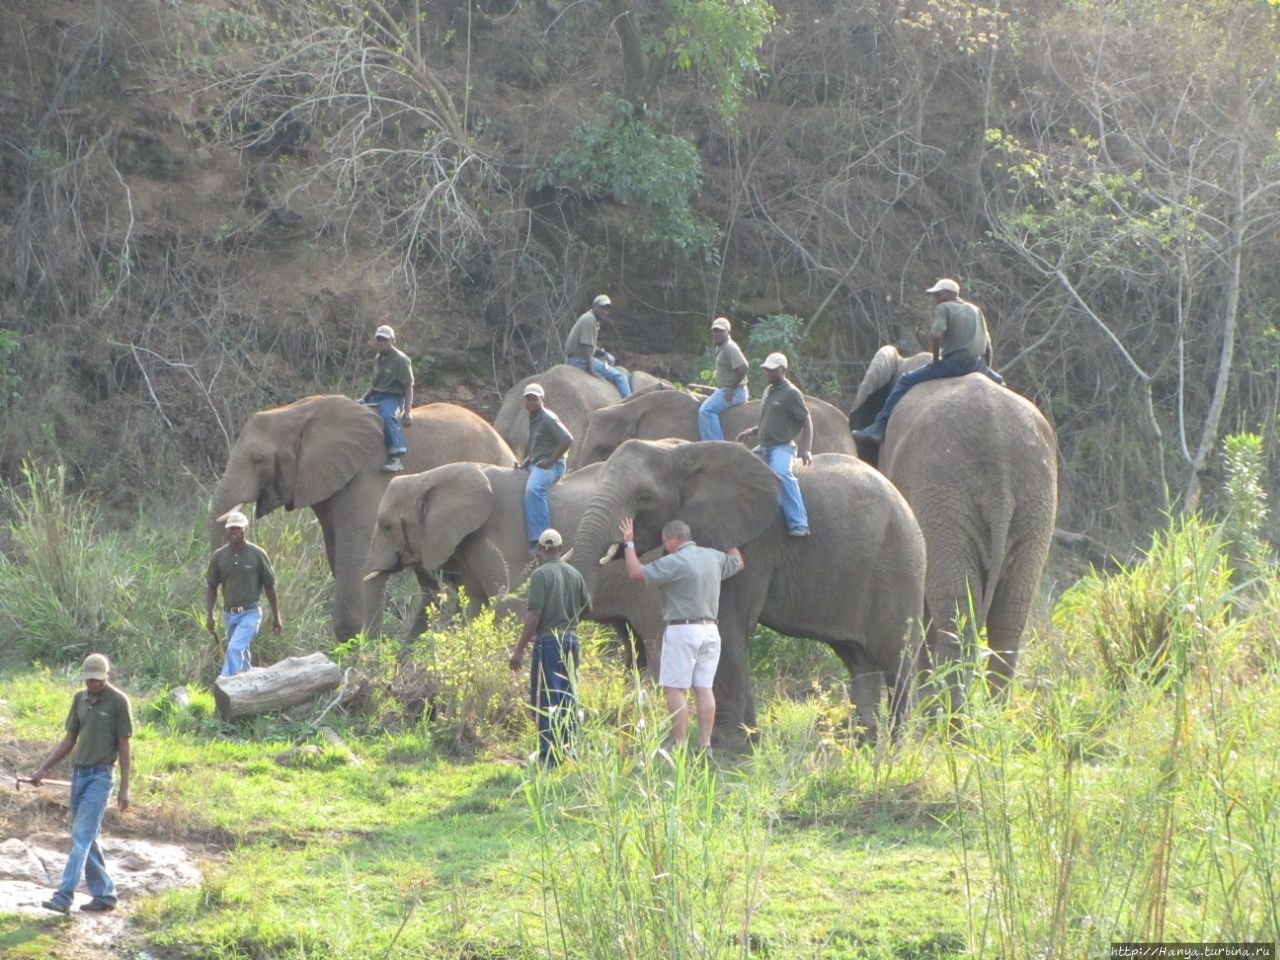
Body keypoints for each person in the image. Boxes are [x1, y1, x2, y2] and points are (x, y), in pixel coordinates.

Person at [620, 517, 743, 750]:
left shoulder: (675, 562)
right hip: (711, 630)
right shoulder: (713, 557)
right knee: (704, 688)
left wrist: (628, 543)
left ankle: (679, 743)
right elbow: (738, 562)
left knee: (675, 687)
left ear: (674, 538)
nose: (665, 547)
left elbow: (636, 573)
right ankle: (704, 744)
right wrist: (728, 540)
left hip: (683, 630)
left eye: (666, 542)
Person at [32, 653, 133, 914]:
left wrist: (124, 788)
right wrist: (44, 768)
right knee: (88, 837)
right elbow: (69, 740)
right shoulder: (80, 698)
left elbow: (124, 747)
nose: (94, 685)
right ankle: (105, 895)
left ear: (106, 677)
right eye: (90, 680)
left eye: (98, 681)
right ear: (85, 678)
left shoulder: (119, 702)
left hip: (101, 777)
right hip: (79, 776)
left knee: (80, 836)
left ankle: (64, 896)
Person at [852, 278, 1005, 445]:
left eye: (938, 294)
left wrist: (936, 360)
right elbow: (988, 347)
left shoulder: (944, 308)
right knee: (1000, 383)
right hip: (977, 365)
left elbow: (936, 334)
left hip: (954, 364)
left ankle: (879, 427)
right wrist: (986, 371)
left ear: (949, 294)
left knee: (905, 380)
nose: (936, 298)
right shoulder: (976, 311)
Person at [509, 528, 592, 765]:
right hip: (571, 640)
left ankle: (548, 756)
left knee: (547, 697)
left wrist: (519, 649)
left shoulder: (540, 575)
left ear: (540, 550)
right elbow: (588, 608)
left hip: (549, 641)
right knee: (568, 695)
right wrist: (569, 619)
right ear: (560, 548)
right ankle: (569, 751)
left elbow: (534, 614)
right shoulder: (575, 574)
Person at [735, 352, 813, 537]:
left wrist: (806, 449)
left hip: (782, 447)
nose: (769, 373)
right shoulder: (769, 391)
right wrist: (752, 432)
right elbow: (770, 420)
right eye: (767, 370)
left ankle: (799, 522)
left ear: (783, 370)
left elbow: (806, 421)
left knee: (781, 473)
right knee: (739, 466)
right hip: (764, 446)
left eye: (773, 370)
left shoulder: (792, 393)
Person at [205, 511, 283, 676]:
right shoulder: (219, 556)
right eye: (231, 528)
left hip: (250, 613)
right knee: (241, 652)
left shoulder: (257, 554)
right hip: (229, 615)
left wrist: (277, 616)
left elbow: (269, 586)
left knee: (234, 649)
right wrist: (210, 614)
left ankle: (225, 683)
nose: (234, 531)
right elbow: (212, 586)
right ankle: (249, 684)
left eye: (238, 528)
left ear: (245, 528)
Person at [517, 384, 573, 553]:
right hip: (536, 463)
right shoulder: (533, 419)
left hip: (553, 466)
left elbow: (567, 439)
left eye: (535, 398)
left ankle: (542, 539)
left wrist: (551, 461)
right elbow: (536, 449)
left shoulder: (547, 417)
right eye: (528, 398)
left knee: (534, 489)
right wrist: (523, 465)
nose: (531, 402)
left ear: (542, 399)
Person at [359, 324, 415, 472]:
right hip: (376, 396)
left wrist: (408, 411)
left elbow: (408, 387)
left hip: (393, 397)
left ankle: (396, 456)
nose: (382, 342)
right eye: (379, 339)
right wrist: (363, 399)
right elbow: (375, 385)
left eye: (385, 339)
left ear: (392, 340)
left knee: (387, 416)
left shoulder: (401, 360)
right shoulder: (379, 358)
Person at [564, 294, 631, 399]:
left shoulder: (591, 319)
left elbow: (591, 346)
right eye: (602, 308)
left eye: (607, 309)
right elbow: (586, 348)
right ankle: (630, 403)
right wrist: (591, 371)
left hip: (577, 357)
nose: (605, 311)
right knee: (620, 376)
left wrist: (603, 353)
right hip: (579, 360)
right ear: (594, 306)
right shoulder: (589, 320)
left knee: (610, 359)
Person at [697, 317, 749, 441]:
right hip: (725, 388)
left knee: (706, 411)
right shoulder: (721, 347)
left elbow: (743, 367)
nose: (717, 333)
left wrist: (731, 389)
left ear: (728, 332)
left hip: (735, 391)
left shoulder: (730, 348)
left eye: (721, 331)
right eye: (715, 331)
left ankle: (716, 445)